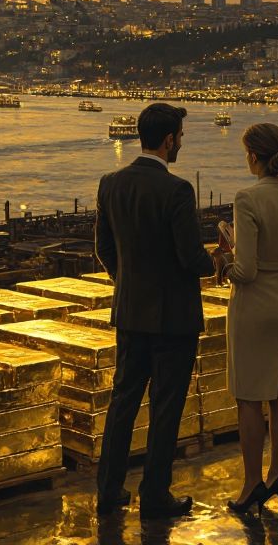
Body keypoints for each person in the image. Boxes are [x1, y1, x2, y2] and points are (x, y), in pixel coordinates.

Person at [94, 102, 216, 520]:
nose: (181, 143)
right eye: (179, 137)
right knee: (165, 408)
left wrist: (125, 283)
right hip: (173, 320)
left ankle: (109, 491)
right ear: (168, 140)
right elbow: (190, 256)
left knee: (122, 403)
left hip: (130, 314)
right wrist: (218, 259)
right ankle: (154, 493)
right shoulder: (177, 190)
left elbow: (104, 249)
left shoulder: (110, 184)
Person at [210, 123, 278, 516]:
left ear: (252, 156)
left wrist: (225, 259)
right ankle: (277, 474)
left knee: (250, 398)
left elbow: (247, 270)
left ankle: (252, 482)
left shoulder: (247, 198)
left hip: (253, 307)